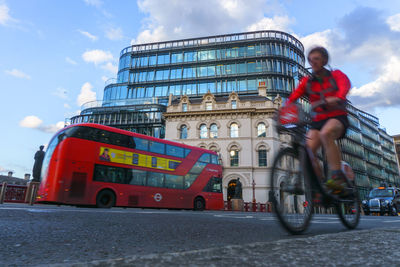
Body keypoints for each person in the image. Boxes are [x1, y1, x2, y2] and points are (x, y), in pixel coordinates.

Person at [285, 46, 351, 197]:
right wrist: (284, 107)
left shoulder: (336, 75)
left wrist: (338, 97)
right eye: (310, 60)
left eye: (316, 59)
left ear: (324, 61)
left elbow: (344, 86)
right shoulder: (308, 81)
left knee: (326, 134)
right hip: (318, 120)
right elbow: (294, 95)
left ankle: (336, 176)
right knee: (307, 149)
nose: (313, 62)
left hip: (337, 116)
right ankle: (320, 184)